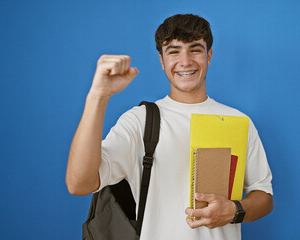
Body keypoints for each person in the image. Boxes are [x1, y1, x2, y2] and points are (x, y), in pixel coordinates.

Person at [66, 14, 273, 239]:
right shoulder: (140, 121)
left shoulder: (238, 121)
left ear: (209, 56)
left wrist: (234, 211)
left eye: (195, 49)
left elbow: (264, 196)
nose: (185, 61)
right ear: (162, 61)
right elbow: (79, 184)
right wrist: (98, 96)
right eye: (174, 51)